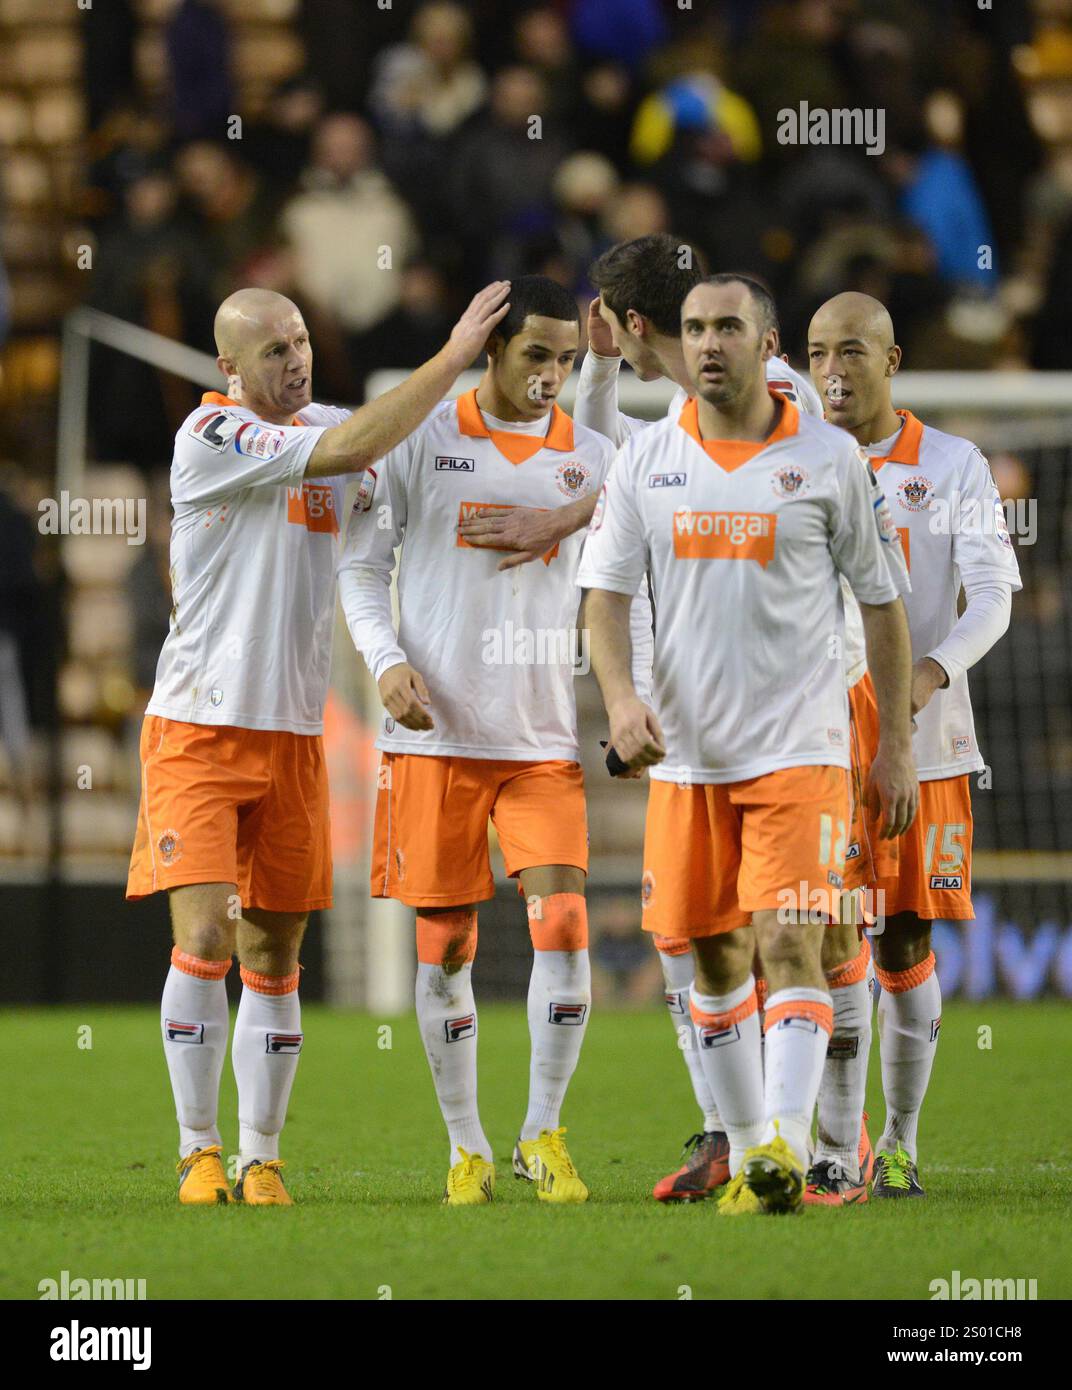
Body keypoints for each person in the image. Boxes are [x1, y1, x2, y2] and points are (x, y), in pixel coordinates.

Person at [459, 235, 891, 1208]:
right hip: (684, 702)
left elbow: (763, 488)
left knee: (811, 933)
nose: (712, 344)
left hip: (810, 694)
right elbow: (615, 466)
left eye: (599, 320)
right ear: (669, 326)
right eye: (694, 326)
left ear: (619, 316)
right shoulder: (659, 425)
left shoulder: (779, 399)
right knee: (696, 937)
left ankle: (831, 1136)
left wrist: (554, 521)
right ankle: (736, 1136)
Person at [126, 280, 510, 1206]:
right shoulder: (213, 437)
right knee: (207, 934)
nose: (295, 359)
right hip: (198, 725)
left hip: (294, 734)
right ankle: (197, 1149)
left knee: (274, 951)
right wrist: (455, 350)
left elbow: (415, 447)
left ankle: (261, 1158)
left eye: (301, 341)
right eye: (273, 351)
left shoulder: (330, 427)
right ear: (230, 369)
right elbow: (354, 445)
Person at [578, 274, 917, 1215]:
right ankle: (750, 1151)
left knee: (788, 941)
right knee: (711, 961)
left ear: (768, 344)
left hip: (799, 750)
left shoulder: (826, 458)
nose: (708, 343)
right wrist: (621, 700)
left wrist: (893, 747)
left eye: (728, 326)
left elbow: (884, 610)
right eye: (694, 329)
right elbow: (602, 594)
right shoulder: (646, 459)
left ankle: (789, 1148)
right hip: (687, 759)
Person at [337, 276, 645, 1206]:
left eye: (563, 358)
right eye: (534, 356)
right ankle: (466, 1146)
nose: (549, 375)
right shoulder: (418, 439)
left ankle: (542, 1131)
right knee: (448, 947)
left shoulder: (594, 455)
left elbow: (659, 503)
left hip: (540, 736)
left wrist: (572, 510)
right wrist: (386, 661)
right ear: (493, 351)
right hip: (433, 739)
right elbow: (360, 567)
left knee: (564, 921)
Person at [807, 291, 1022, 1197]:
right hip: (813, 743)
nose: (832, 371)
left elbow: (995, 594)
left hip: (923, 745)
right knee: (823, 938)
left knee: (901, 941)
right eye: (817, 352)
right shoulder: (794, 459)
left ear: (891, 361)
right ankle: (832, 1144)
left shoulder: (953, 464)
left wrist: (928, 673)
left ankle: (898, 1139)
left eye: (851, 351)